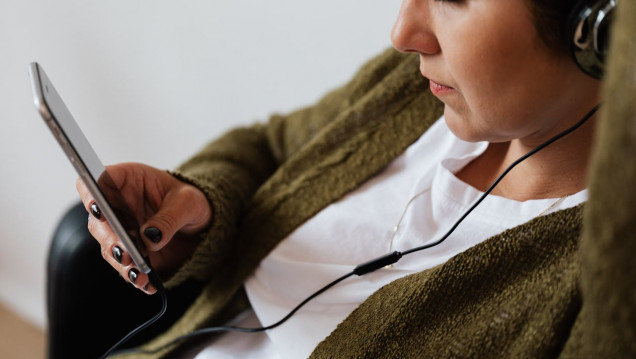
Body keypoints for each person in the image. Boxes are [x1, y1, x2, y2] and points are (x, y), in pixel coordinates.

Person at [75, 0, 623, 358]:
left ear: (596, 29)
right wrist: (200, 209)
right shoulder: (424, 90)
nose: (404, 33)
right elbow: (269, 145)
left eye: (454, 0)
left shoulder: (607, 277)